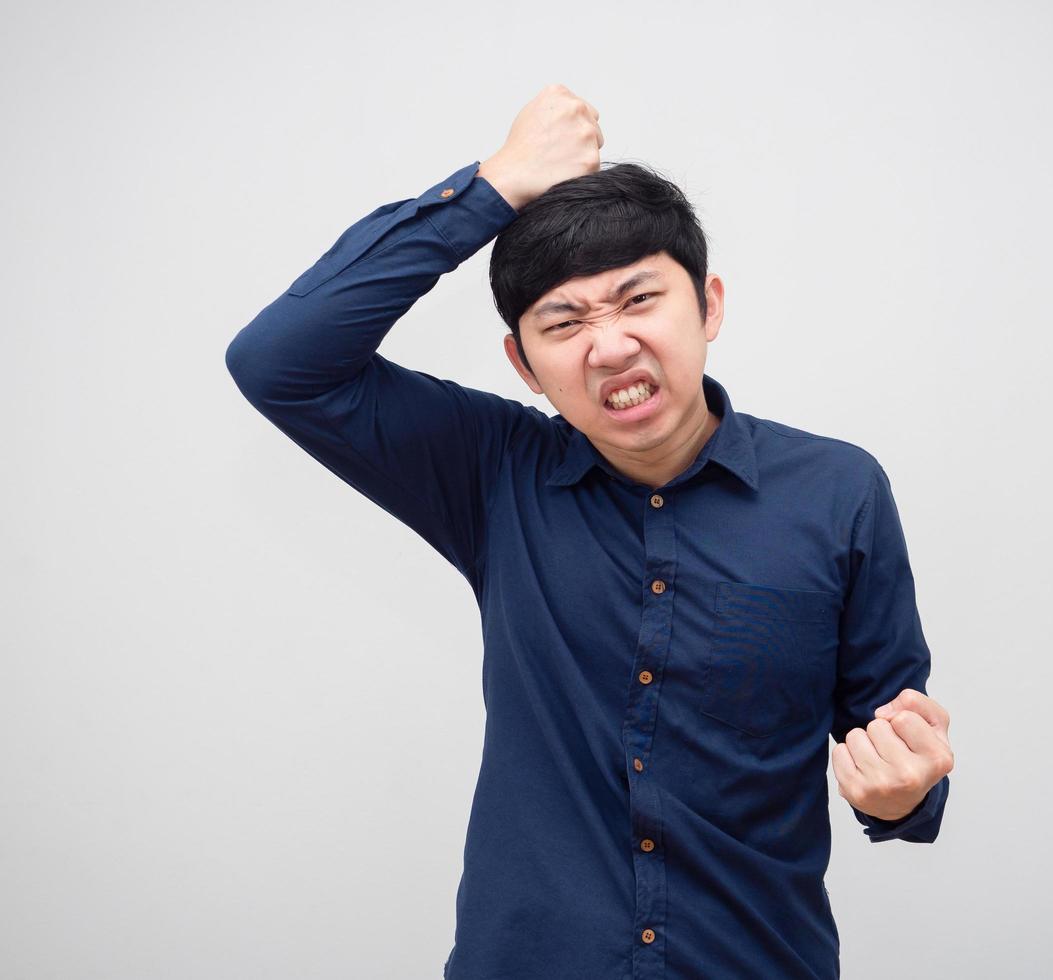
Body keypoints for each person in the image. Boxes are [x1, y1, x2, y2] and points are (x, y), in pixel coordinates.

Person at [225, 83, 954, 980]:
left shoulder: (838, 490)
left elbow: (894, 747)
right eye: (563, 323)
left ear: (709, 306)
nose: (608, 346)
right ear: (523, 365)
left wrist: (905, 793)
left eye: (638, 299)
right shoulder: (492, 474)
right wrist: (493, 187)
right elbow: (278, 363)